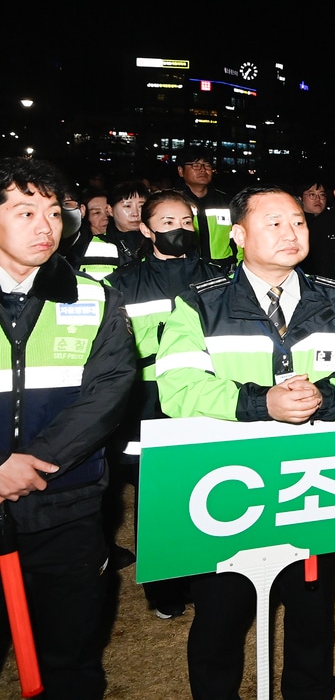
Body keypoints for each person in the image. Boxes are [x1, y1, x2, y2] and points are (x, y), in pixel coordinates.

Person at [155, 185, 335, 700]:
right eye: (274, 222)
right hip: (228, 484)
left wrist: (324, 398)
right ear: (238, 235)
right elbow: (178, 386)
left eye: (298, 222)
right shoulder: (200, 302)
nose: (291, 232)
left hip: (310, 480)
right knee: (221, 613)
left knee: (312, 609)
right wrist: (263, 404)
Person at [0, 158, 135, 698]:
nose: (44, 226)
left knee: (71, 655)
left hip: (66, 502)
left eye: (54, 212)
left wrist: (30, 464)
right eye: (25, 211)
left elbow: (109, 389)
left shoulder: (94, 296)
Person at [107, 191, 226, 621]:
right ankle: (164, 588)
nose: (179, 229)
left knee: (211, 486)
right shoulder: (123, 283)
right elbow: (114, 351)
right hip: (148, 405)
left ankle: (208, 576)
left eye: (187, 221)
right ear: (146, 228)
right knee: (157, 496)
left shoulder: (220, 277)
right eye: (168, 221)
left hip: (207, 399)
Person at [176, 148, 236, 271]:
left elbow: (240, 236)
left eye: (206, 165)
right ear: (181, 171)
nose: (203, 169)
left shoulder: (227, 201)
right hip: (186, 270)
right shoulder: (172, 202)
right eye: (196, 165)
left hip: (224, 271)